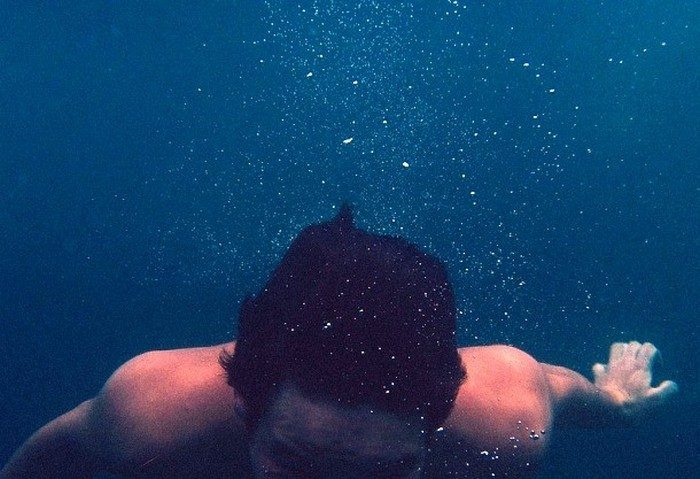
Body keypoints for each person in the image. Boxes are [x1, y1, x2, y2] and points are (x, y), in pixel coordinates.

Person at [1, 206, 678, 479]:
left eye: (383, 475)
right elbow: (48, 456)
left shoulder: (506, 421)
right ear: (245, 406)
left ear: (438, 421)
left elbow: (561, 388)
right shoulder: (152, 413)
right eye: (298, 463)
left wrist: (616, 402)